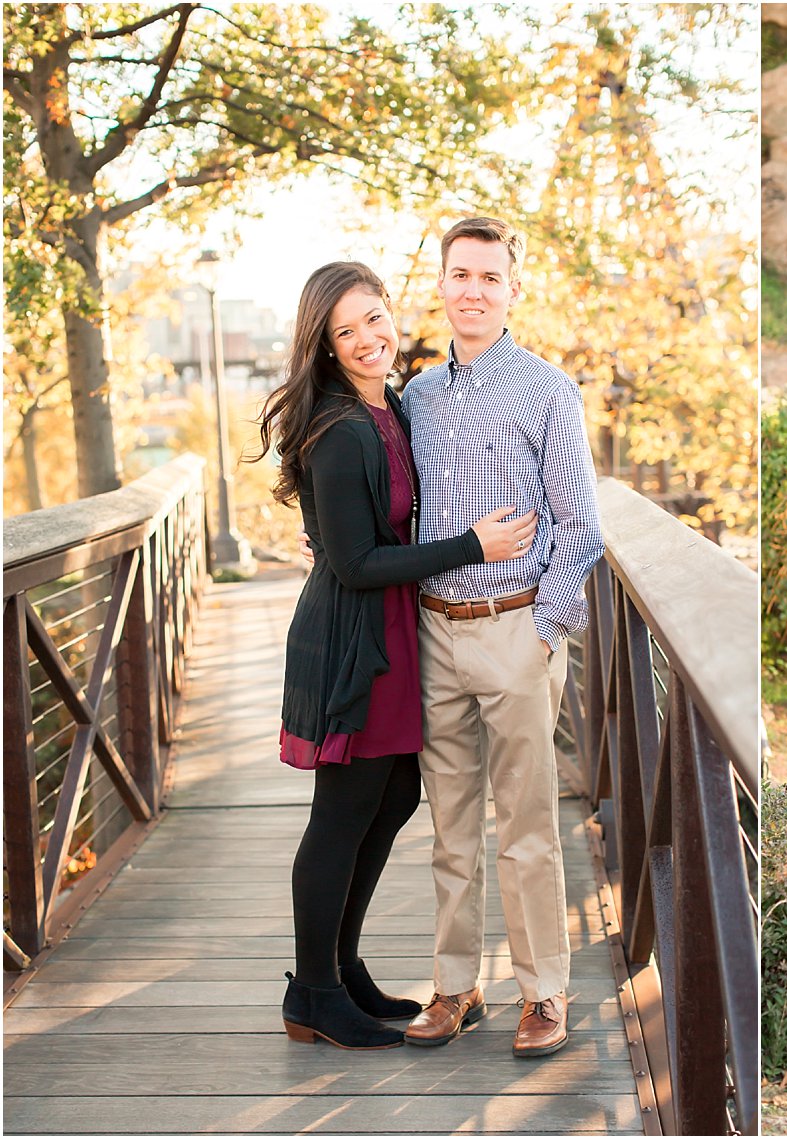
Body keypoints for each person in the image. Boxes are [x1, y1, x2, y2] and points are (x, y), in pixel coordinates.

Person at [255, 262, 538, 1050]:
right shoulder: (344, 429)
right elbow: (354, 563)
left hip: (391, 634)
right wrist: (472, 546)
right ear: (327, 346)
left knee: (393, 797)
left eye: (374, 318)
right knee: (341, 815)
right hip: (353, 639)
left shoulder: (394, 408)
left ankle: (341, 970)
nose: (368, 338)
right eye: (346, 331)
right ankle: (312, 992)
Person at [398, 217, 604, 1055]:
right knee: (450, 824)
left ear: (513, 290)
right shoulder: (414, 396)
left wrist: (545, 631)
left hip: (516, 625)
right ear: (441, 286)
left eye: (489, 277)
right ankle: (454, 986)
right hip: (434, 631)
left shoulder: (547, 390)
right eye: (459, 275)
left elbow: (580, 526)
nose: (473, 290)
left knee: (525, 824)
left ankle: (544, 991)